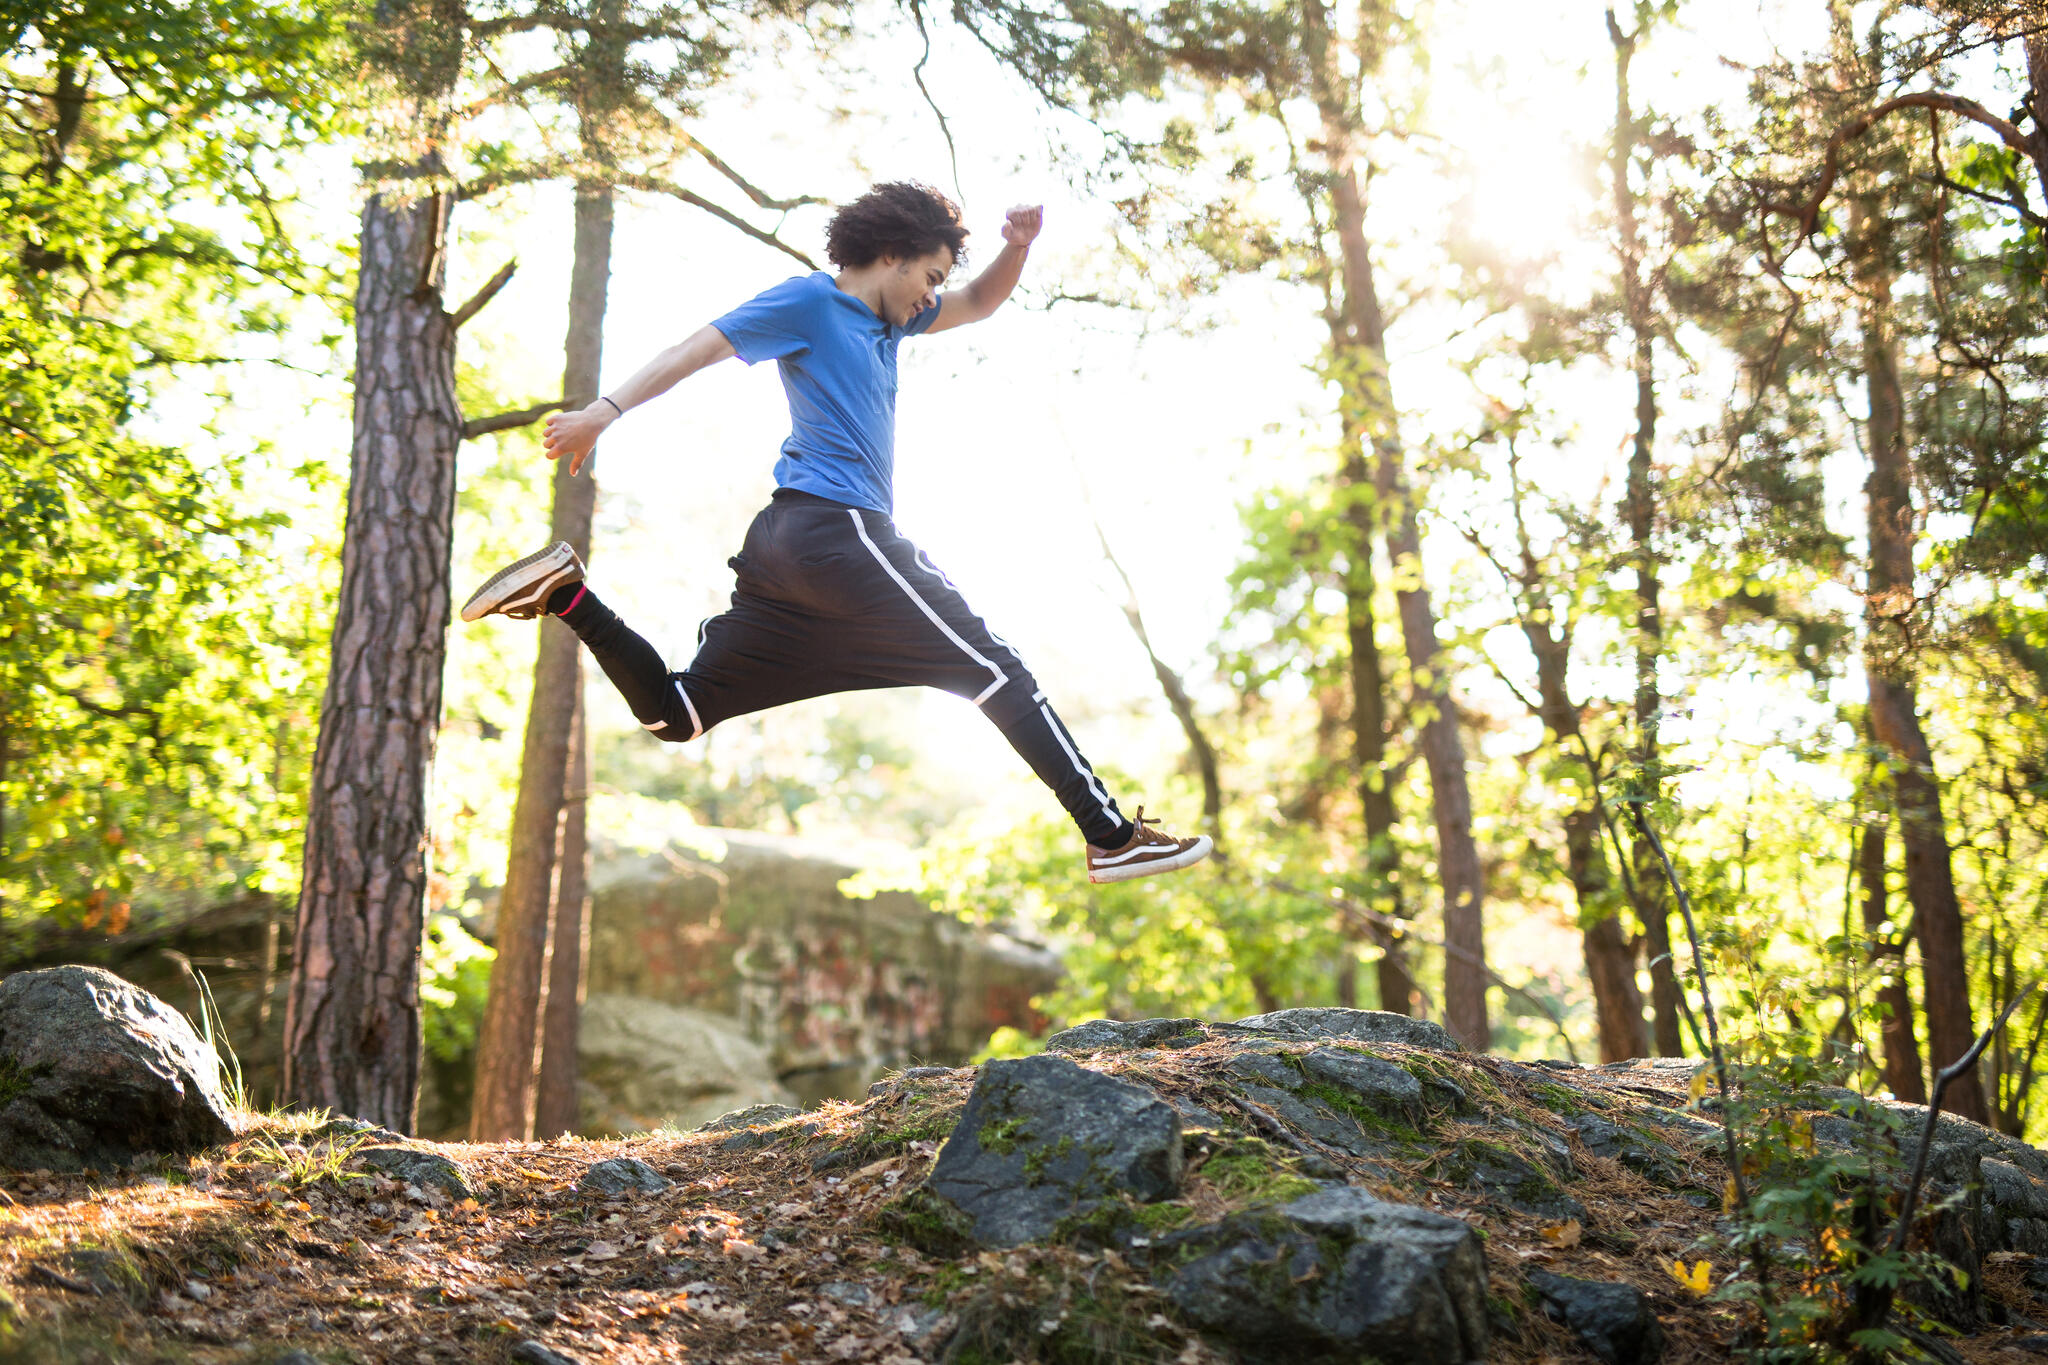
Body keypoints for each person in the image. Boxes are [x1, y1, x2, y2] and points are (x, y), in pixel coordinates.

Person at [460, 181, 1211, 884]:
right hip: (838, 534)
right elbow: (698, 348)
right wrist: (604, 411)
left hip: (789, 556)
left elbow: (980, 303)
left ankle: (565, 596)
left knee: (679, 714)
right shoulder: (811, 302)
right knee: (996, 669)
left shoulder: (895, 320)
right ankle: (1110, 837)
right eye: (929, 273)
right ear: (892, 254)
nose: (931, 294)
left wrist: (1017, 247)